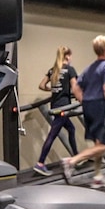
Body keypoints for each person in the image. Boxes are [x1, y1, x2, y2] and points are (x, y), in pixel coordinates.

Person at [62, 35, 105, 188]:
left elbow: (75, 88)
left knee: (97, 143)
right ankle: (71, 161)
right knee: (102, 146)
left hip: (88, 106)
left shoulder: (89, 68)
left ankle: (97, 176)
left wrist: (85, 101)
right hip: (100, 105)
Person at [33, 46, 79, 176]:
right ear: (67, 56)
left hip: (55, 106)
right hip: (63, 107)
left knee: (71, 129)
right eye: (70, 56)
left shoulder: (52, 70)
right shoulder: (70, 70)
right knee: (52, 135)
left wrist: (52, 90)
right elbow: (75, 88)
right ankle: (40, 163)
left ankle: (76, 156)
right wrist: (82, 99)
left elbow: (41, 85)